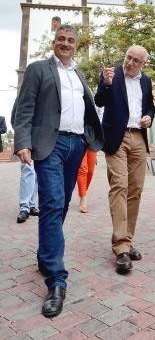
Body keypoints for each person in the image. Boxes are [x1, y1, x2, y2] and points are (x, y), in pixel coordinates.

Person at [13, 24, 104, 318]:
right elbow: (23, 108)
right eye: (61, 39)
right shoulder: (38, 69)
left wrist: (90, 137)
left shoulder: (78, 74)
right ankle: (56, 280)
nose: (65, 44)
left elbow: (88, 108)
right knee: (52, 204)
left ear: (76, 45)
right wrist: (22, 142)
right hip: (49, 146)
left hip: (75, 146)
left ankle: (44, 255)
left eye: (71, 40)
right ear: (54, 42)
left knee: (61, 205)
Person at [94, 45, 155, 274]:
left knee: (135, 189)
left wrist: (149, 115)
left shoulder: (146, 81)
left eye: (135, 60)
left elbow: (149, 105)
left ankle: (127, 240)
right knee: (119, 186)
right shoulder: (111, 74)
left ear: (143, 64)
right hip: (116, 139)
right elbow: (99, 101)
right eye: (128, 57)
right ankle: (120, 247)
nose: (129, 62)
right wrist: (107, 84)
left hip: (138, 138)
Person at [11, 99, 39, 223]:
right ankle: (24, 207)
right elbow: (15, 118)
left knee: (37, 172)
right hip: (28, 140)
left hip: (43, 140)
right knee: (28, 171)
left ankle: (32, 205)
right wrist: (22, 137)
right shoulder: (25, 93)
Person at [77, 148, 97, 213]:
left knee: (90, 171)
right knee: (82, 168)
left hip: (92, 140)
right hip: (80, 139)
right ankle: (83, 197)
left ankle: (82, 192)